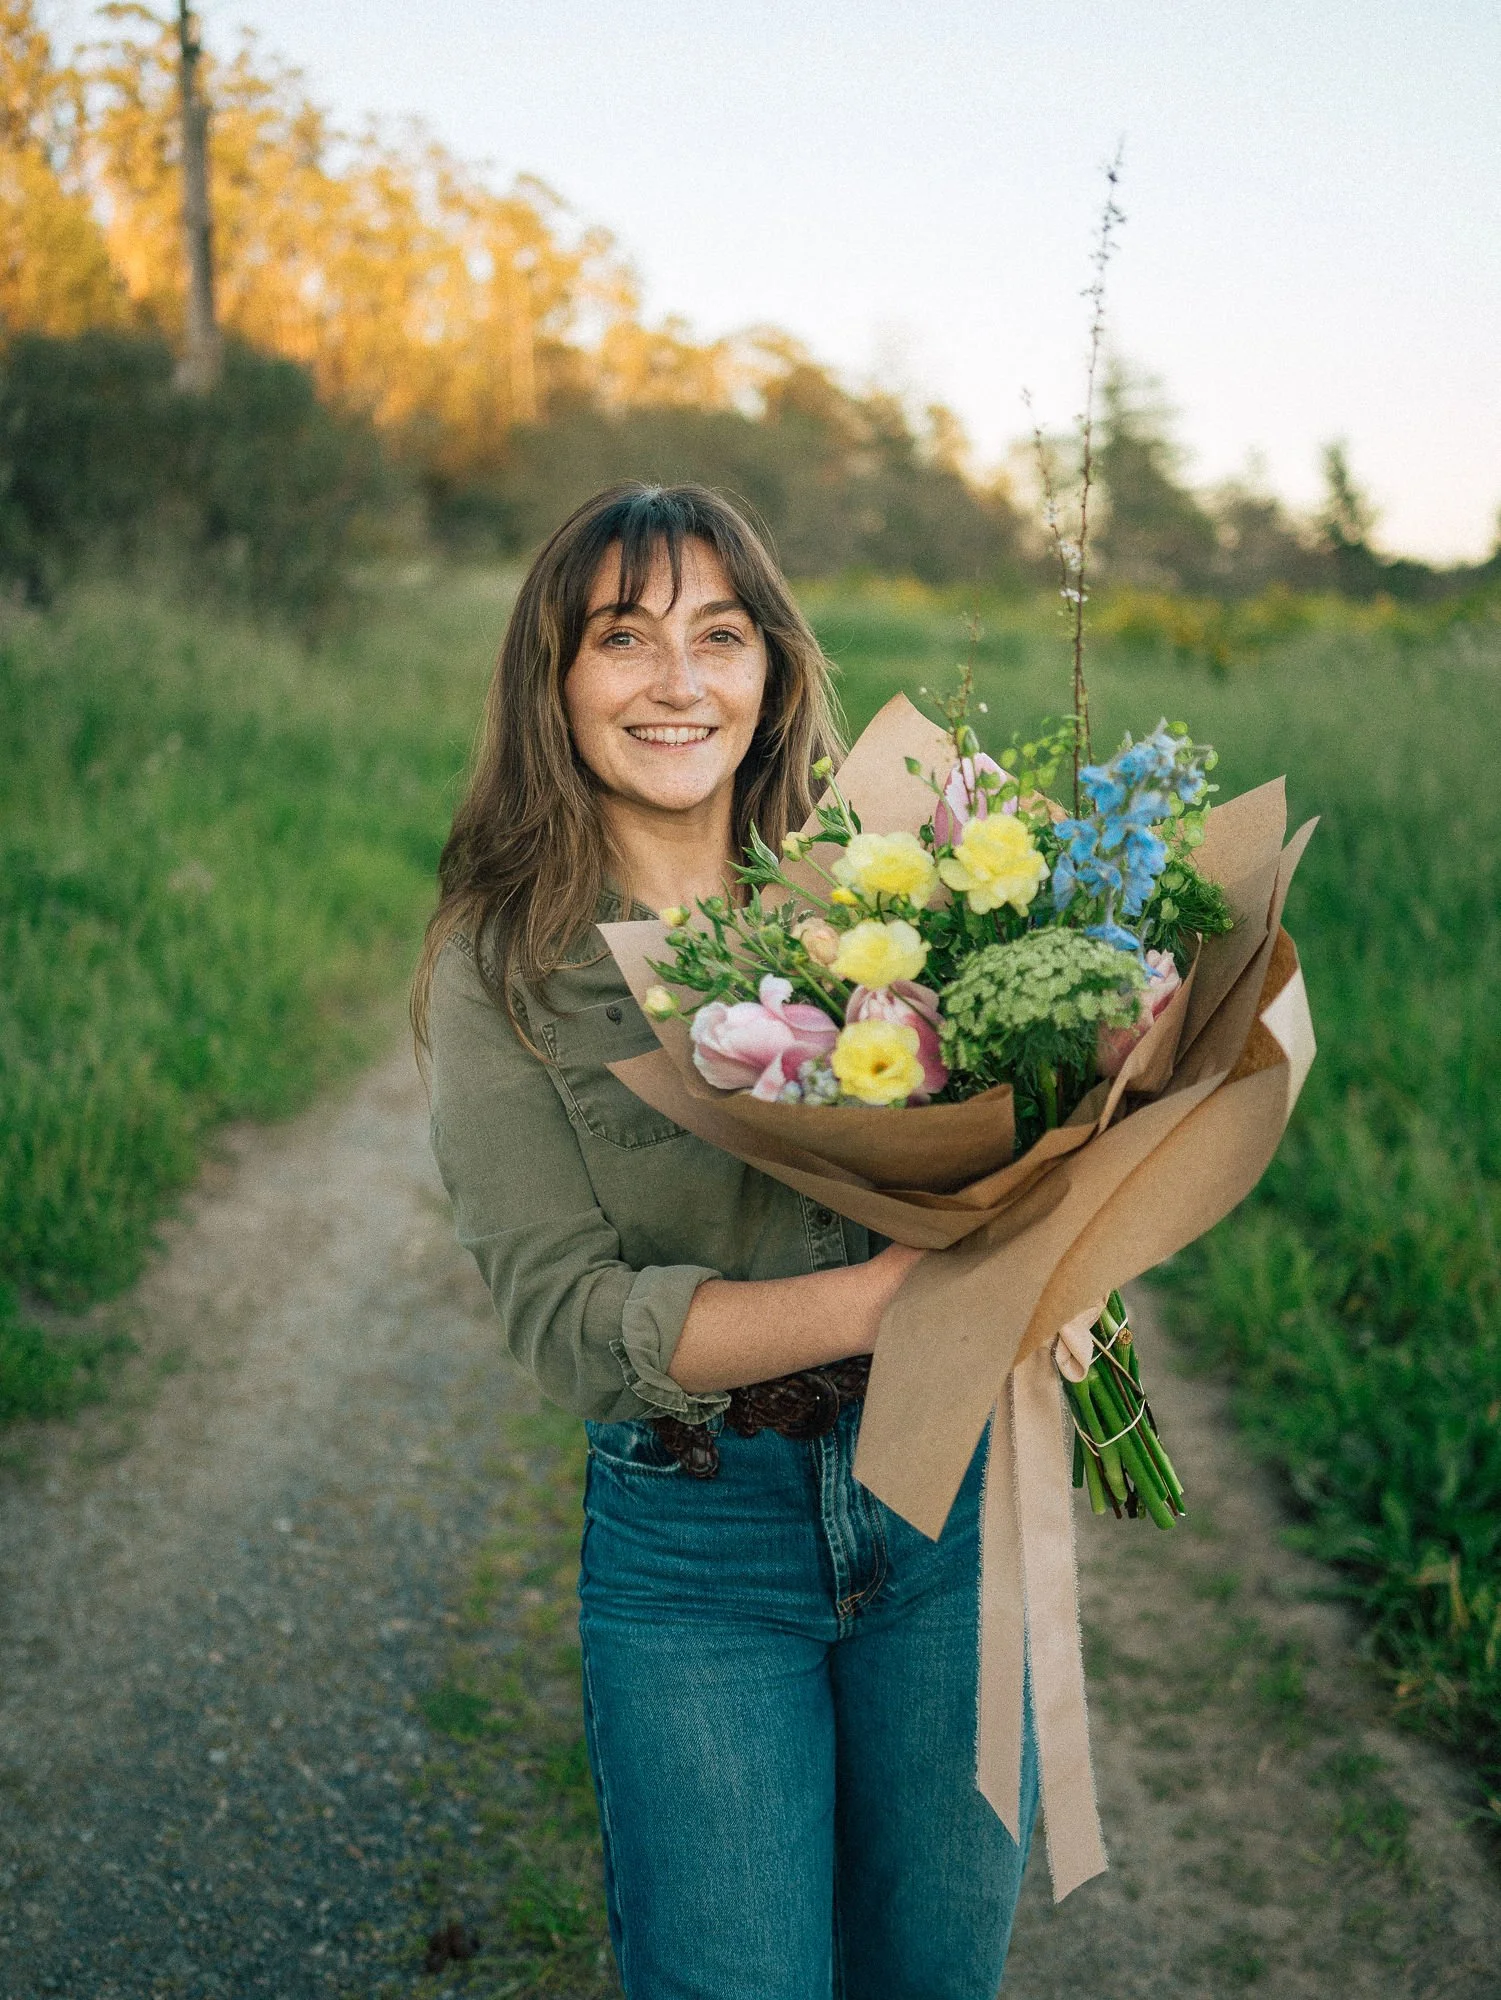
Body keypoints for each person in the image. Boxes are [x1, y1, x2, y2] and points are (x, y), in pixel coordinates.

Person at [413, 483, 1037, 1999]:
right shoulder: (504, 967)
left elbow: (1032, 1136)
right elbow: (573, 1324)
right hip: (698, 1547)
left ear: (772, 672)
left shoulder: (885, 886)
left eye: (720, 634)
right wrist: (894, 1297)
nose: (677, 681)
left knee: (935, 1976)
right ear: (554, 683)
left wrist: (1055, 1246)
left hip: (943, 1504)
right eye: (622, 639)